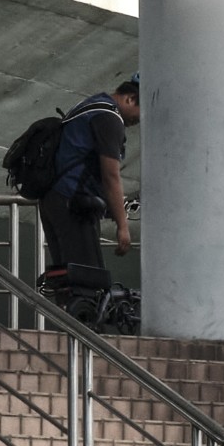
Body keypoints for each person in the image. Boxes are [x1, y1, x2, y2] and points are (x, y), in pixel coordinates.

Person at [41, 76, 139, 307]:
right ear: (130, 98)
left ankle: (71, 332)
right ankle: (88, 336)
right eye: (139, 113)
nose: (137, 121)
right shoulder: (110, 118)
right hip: (75, 203)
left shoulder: (88, 106)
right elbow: (110, 175)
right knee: (88, 281)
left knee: (68, 277)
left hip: (52, 199)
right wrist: (123, 226)